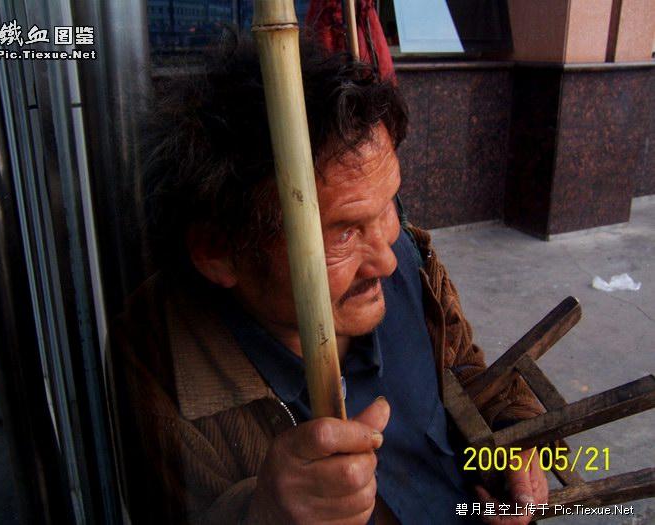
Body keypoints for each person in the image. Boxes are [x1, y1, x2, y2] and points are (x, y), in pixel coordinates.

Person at [107, 36, 548, 525]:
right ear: (218, 252)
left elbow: (465, 370)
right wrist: (261, 516)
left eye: (389, 205)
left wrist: (515, 444)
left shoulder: (407, 255)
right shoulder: (162, 367)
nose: (387, 261)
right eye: (343, 233)